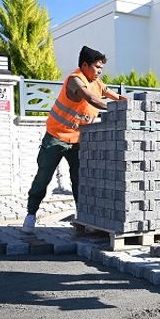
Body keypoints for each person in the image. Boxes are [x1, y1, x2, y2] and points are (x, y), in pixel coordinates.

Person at [22, 46, 125, 233]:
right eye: (97, 67)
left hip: (78, 140)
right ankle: (31, 214)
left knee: (80, 180)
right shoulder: (74, 80)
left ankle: (82, 217)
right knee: (43, 178)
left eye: (101, 69)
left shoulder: (97, 82)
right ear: (84, 65)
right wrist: (114, 109)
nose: (99, 72)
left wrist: (128, 103)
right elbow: (90, 98)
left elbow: (112, 94)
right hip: (56, 137)